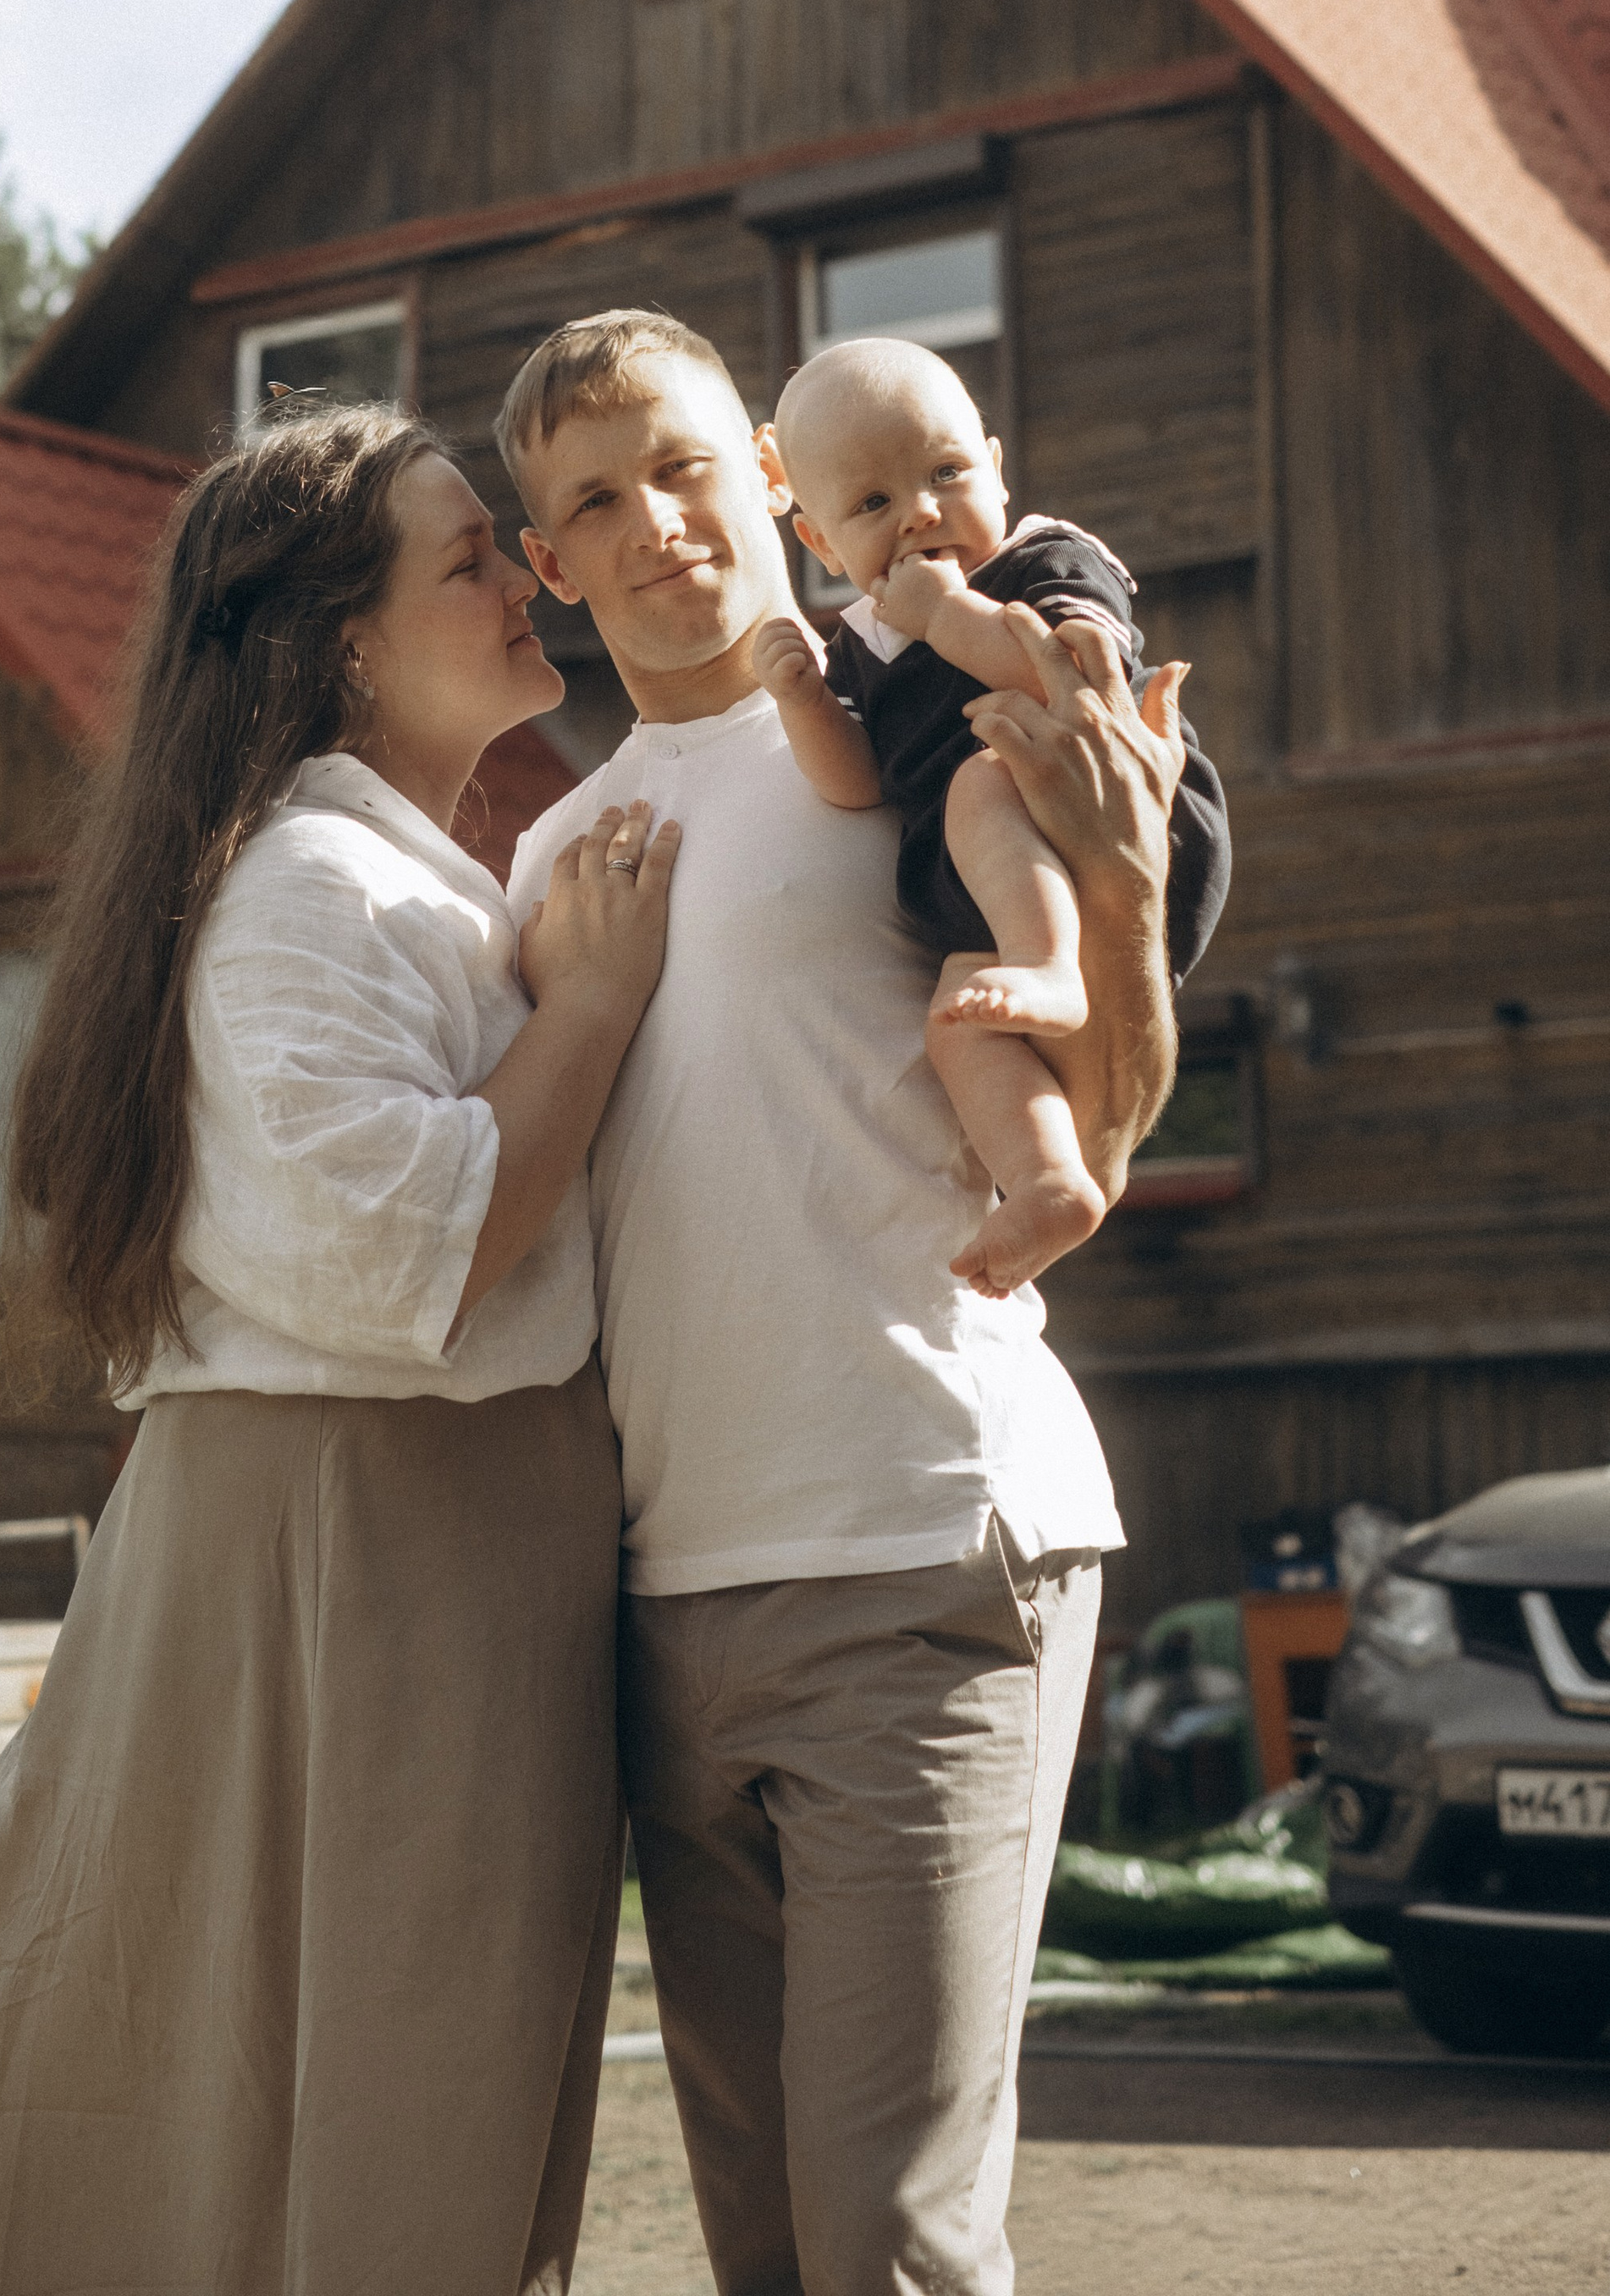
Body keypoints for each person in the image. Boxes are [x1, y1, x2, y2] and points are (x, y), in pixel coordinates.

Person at [0, 403, 678, 2296]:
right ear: (343, 646)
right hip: (358, 1547)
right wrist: (602, 1003)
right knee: (355, 2096)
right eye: (465, 551)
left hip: (395, 1545)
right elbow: (434, 1243)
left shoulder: (396, 879)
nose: (517, 575)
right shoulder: (305, 893)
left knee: (327, 2091)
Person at [501, 309, 1205, 2296]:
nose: (654, 524)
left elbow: (1106, 1097)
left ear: (771, 486)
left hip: (924, 1537)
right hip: (662, 1608)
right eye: (591, 502)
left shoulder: (916, 743)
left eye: (685, 469)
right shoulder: (553, 863)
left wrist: (1125, 897)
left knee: (890, 2240)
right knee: (766, 2246)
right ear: (546, 563)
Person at [752, 333, 1229, 1298]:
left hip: (1115, 822)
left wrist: (949, 619)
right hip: (989, 890)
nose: (922, 514)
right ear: (818, 541)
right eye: (874, 503)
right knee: (957, 1029)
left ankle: (1052, 967)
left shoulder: (1042, 559)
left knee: (980, 777)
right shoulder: (865, 647)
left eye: (946, 471)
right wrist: (805, 702)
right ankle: (1051, 1184)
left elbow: (1073, 682)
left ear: (997, 470)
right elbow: (856, 788)